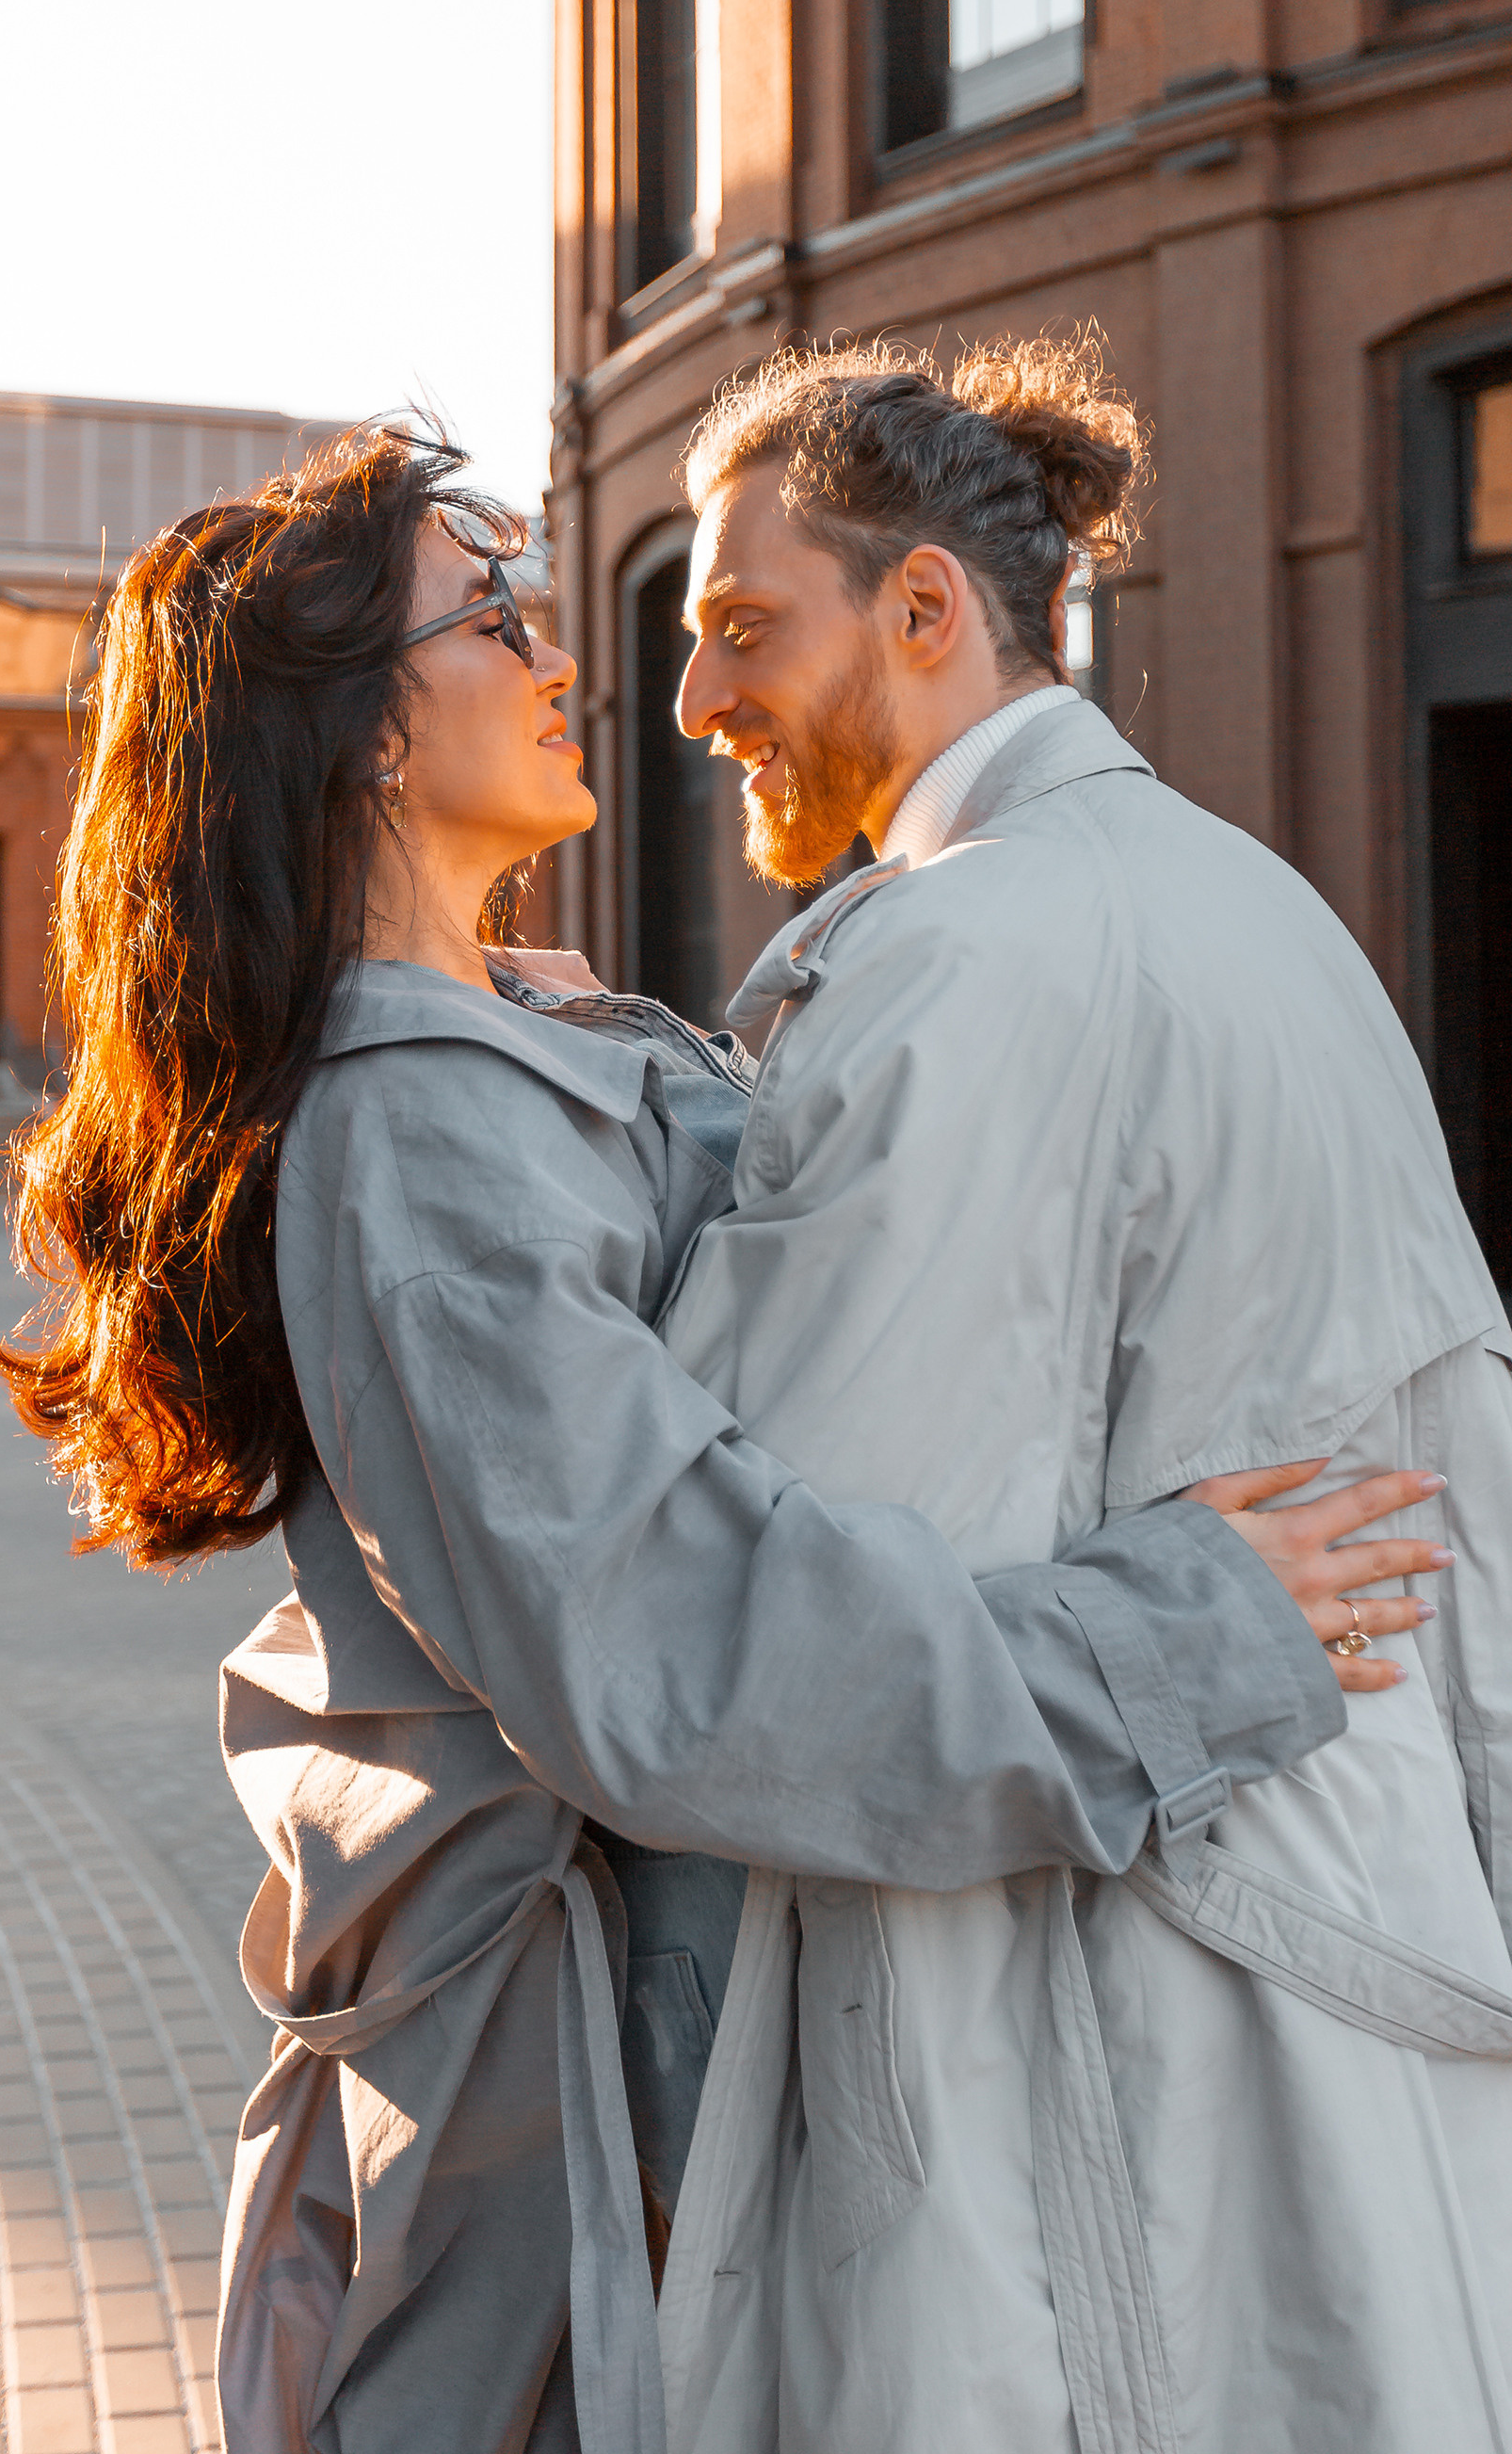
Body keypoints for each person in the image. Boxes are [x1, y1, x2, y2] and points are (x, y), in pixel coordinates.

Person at [0, 425, 1444, 2454]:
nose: (573, 665)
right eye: (493, 617)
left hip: (638, 2058)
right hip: (575, 2148)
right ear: (365, 737)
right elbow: (691, 1656)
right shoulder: (414, 1144)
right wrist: (1189, 1634)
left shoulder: (490, 1062)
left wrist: (592, 1050)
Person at [656, 337, 1512, 2454]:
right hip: (1355, 1986)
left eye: (743, 630)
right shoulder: (1262, 907)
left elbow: (809, 1615)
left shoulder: (965, 960)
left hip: (1085, 2057)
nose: (695, 706)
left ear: (927, 608)